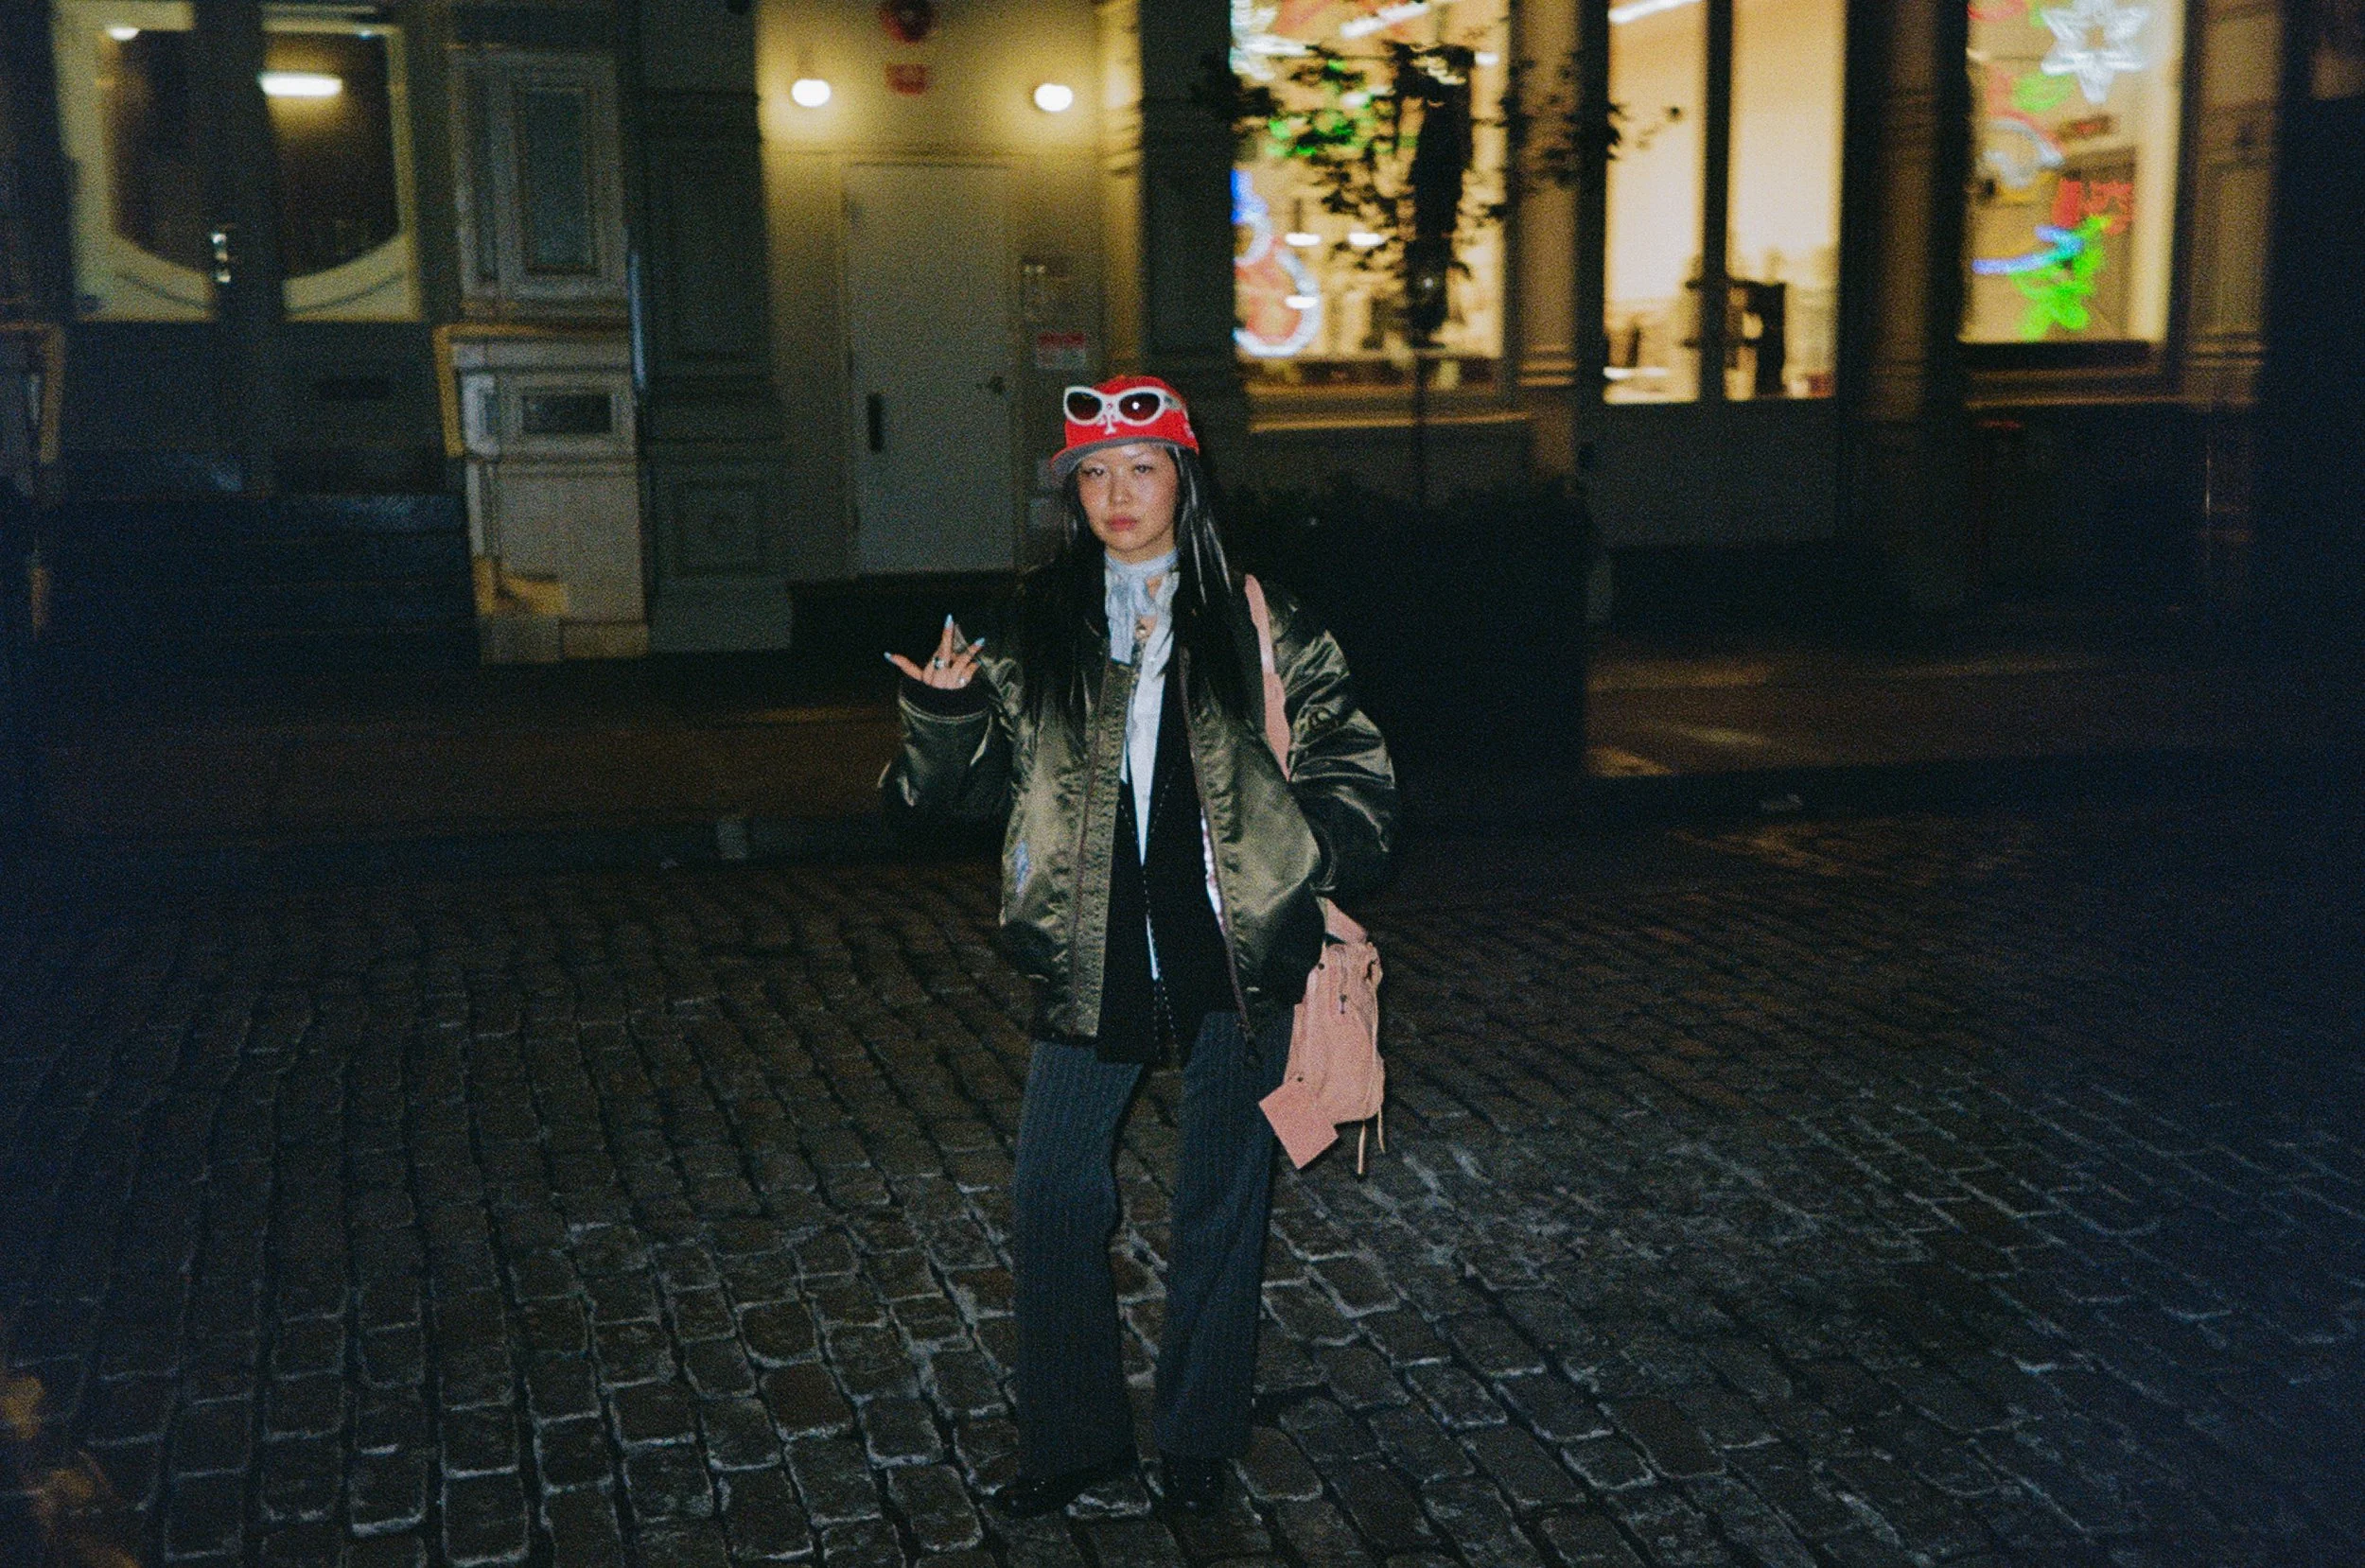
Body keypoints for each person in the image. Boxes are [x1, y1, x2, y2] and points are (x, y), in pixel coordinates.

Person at [882, 375, 1396, 1517]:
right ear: (1073, 494)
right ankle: (1074, 1439)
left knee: (1222, 1192)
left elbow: (1352, 761)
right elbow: (943, 805)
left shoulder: (1257, 614)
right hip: (1095, 949)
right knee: (1054, 1189)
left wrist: (1297, 864)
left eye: (1142, 467)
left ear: (1184, 478)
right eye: (1094, 475)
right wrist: (948, 716)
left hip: (1232, 952)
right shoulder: (1038, 627)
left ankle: (1197, 1435)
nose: (1118, 494)